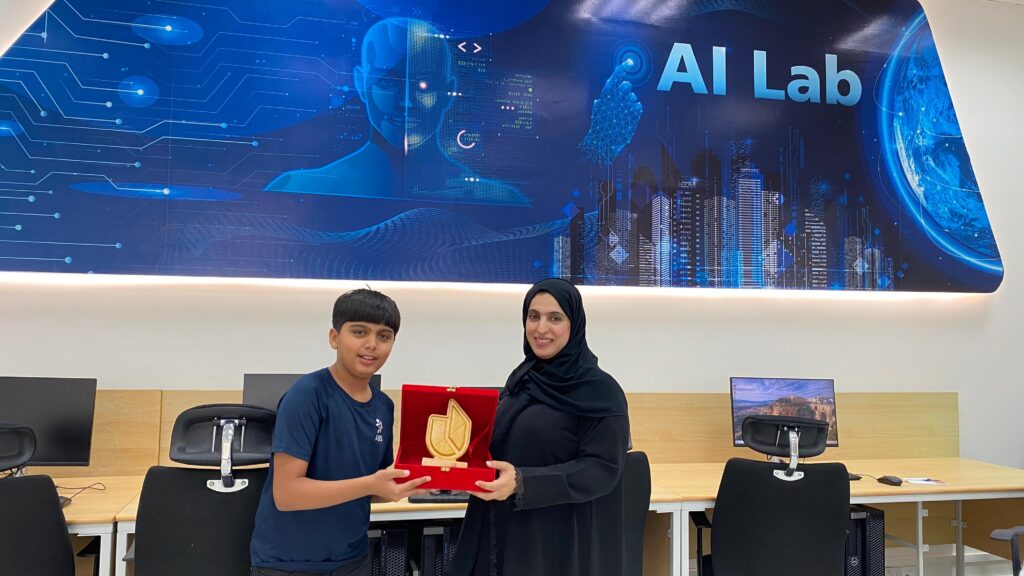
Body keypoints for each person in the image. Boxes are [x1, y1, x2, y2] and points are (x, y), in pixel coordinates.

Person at [448, 278, 631, 576]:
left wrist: (523, 482)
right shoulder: (522, 380)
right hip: (499, 525)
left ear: (574, 325)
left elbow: (602, 469)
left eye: (555, 318)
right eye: (533, 316)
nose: (540, 328)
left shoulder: (601, 391)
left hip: (554, 540)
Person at [250, 289, 431, 575]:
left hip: (352, 559)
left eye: (384, 336)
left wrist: (418, 484)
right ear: (334, 338)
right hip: (289, 563)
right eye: (359, 332)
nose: (372, 344)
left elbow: (372, 489)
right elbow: (286, 494)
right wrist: (371, 484)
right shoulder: (307, 394)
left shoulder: (383, 406)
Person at [264, 18, 529, 207]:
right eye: (387, 82)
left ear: (449, 91)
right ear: (361, 84)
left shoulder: (501, 200)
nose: (406, 102)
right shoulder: (296, 189)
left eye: (424, 84)